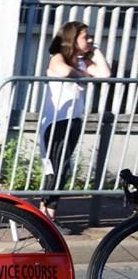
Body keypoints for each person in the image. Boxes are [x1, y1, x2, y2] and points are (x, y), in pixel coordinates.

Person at [37, 21, 111, 233]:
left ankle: (51, 215)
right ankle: (45, 217)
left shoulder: (81, 62)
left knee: (64, 168)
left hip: (74, 120)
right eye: (85, 37)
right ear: (72, 38)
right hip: (56, 121)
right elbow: (60, 71)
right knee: (56, 168)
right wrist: (84, 76)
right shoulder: (59, 56)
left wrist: (95, 51)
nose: (89, 40)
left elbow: (105, 74)